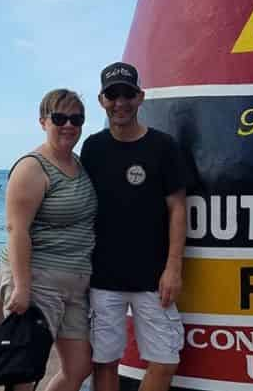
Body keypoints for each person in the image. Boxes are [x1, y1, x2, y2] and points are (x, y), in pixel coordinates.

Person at [80, 62, 187, 391]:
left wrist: (173, 267)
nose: (120, 102)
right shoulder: (93, 148)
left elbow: (178, 208)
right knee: (105, 360)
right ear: (102, 100)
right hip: (103, 278)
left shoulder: (164, 146)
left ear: (140, 97)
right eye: (113, 95)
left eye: (127, 94)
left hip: (154, 278)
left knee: (166, 359)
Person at [0, 89, 97, 390]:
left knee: (79, 368)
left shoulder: (80, 165)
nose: (69, 125)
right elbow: (17, 231)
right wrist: (22, 287)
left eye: (76, 119)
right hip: (38, 279)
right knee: (24, 373)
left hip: (76, 284)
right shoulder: (32, 167)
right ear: (43, 121)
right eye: (60, 117)